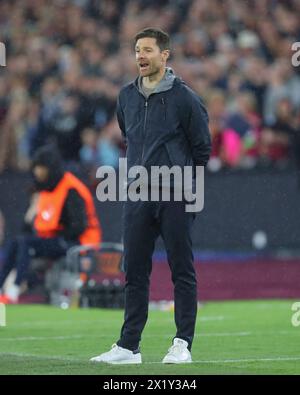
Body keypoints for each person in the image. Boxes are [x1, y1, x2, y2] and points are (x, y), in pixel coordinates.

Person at [90, 28, 211, 365]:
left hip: (176, 194)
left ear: (165, 55)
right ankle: (129, 347)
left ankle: (182, 343)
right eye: (137, 50)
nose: (140, 56)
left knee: (181, 270)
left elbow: (203, 149)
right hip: (138, 193)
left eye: (147, 50)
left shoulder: (185, 98)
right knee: (134, 270)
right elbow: (129, 137)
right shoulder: (126, 96)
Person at [0, 145, 102, 304]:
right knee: (16, 242)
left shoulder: (71, 189)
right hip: (57, 239)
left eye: (41, 169)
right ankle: (1, 287)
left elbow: (79, 226)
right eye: (36, 169)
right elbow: (31, 228)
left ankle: (13, 291)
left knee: (26, 244)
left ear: (50, 169)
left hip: (77, 243)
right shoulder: (47, 189)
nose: (37, 173)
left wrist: (54, 237)